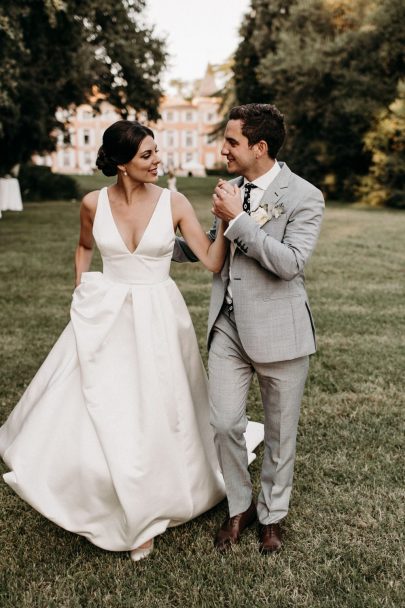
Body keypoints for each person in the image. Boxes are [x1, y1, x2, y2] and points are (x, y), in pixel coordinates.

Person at [0, 120, 263, 562]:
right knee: (104, 404)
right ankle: (101, 491)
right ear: (122, 164)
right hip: (107, 314)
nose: (158, 160)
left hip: (160, 316)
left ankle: (151, 501)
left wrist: (229, 222)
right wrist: (81, 288)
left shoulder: (174, 201)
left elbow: (214, 263)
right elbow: (84, 247)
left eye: (157, 151)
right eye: (147, 155)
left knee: (157, 408)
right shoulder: (91, 203)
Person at [173, 103, 324, 553]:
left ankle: (272, 516)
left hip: (282, 332)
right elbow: (212, 249)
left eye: (232, 142)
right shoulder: (228, 190)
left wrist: (238, 220)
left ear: (260, 148)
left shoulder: (304, 196)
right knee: (223, 423)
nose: (223, 149)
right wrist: (155, 243)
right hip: (229, 328)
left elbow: (290, 264)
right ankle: (238, 506)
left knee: (281, 434)